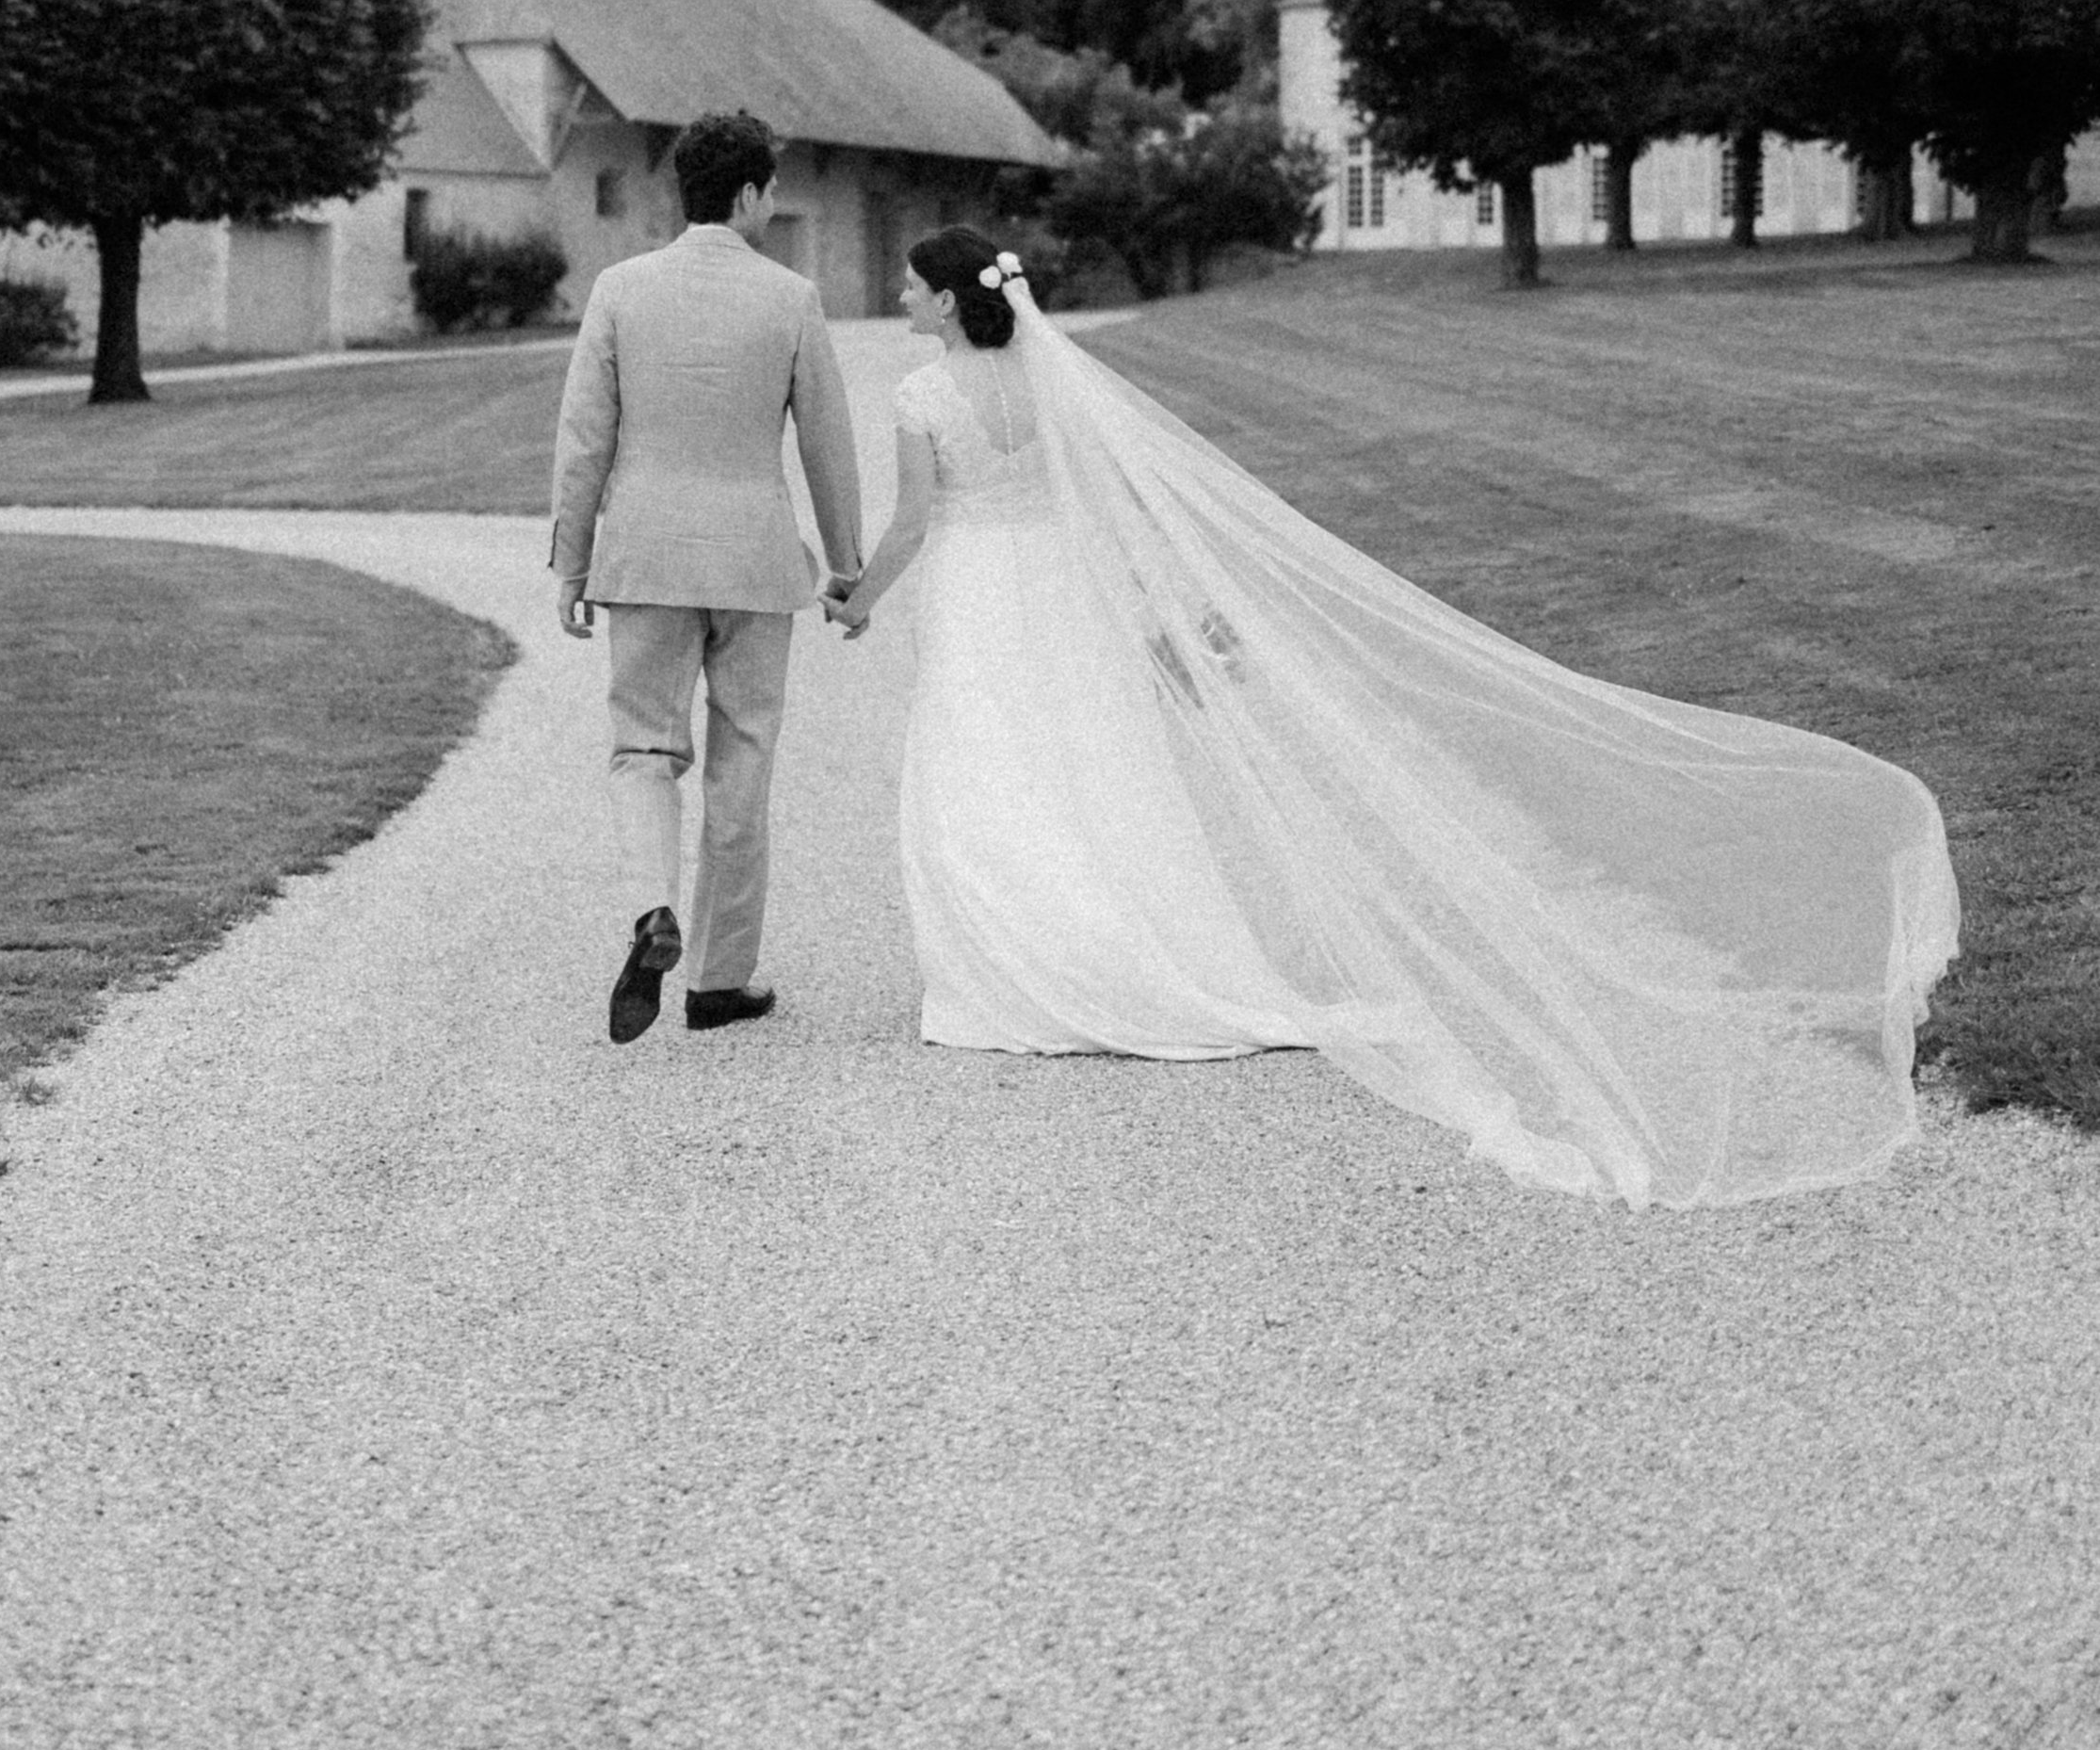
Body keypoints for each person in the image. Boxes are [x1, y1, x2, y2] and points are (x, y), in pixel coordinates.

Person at [824, 227, 1960, 1208]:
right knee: (1095, 767)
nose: (909, 302)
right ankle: (1132, 950)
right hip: (1061, 592)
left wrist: (855, 601)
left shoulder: (923, 394)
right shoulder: (1047, 379)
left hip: (984, 595)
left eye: (918, 288)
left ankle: (1017, 972)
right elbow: (1112, 506)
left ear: (943, 297)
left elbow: (916, 525)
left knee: (990, 769)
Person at [552, 108, 864, 1045]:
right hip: (755, 562)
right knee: (743, 758)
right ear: (748, 195)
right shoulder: (790, 298)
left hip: (643, 556)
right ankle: (721, 982)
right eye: (770, 189)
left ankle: (654, 909)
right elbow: (825, 442)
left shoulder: (618, 289)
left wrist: (570, 559)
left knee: (643, 747)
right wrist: (844, 564)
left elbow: (582, 440)